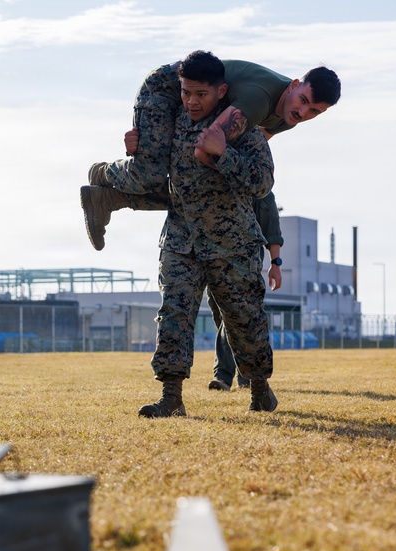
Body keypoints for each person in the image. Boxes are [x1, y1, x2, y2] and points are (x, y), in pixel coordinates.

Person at [134, 50, 277, 418]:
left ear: (221, 90)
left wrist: (224, 153)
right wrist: (137, 150)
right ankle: (171, 397)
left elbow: (262, 184)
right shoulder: (173, 122)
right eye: (186, 93)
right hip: (181, 241)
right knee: (174, 315)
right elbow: (153, 169)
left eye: (201, 94)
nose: (192, 101)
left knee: (244, 321)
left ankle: (259, 388)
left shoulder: (241, 126)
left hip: (232, 245)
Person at [79, 58, 340, 250]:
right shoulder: (259, 99)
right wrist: (152, 148)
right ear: (294, 85)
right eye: (303, 100)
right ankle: (102, 172)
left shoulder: (289, 118)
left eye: (314, 111)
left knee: (213, 188)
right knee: (149, 175)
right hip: (169, 89)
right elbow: (204, 151)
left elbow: (247, 157)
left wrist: (273, 243)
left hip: (199, 107)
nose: (303, 113)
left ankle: (109, 198)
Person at [208, 193, 283, 392]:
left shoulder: (255, 183)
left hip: (243, 262)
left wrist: (276, 263)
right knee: (221, 317)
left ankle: (223, 376)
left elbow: (272, 226)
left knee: (230, 317)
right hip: (210, 258)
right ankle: (245, 374)